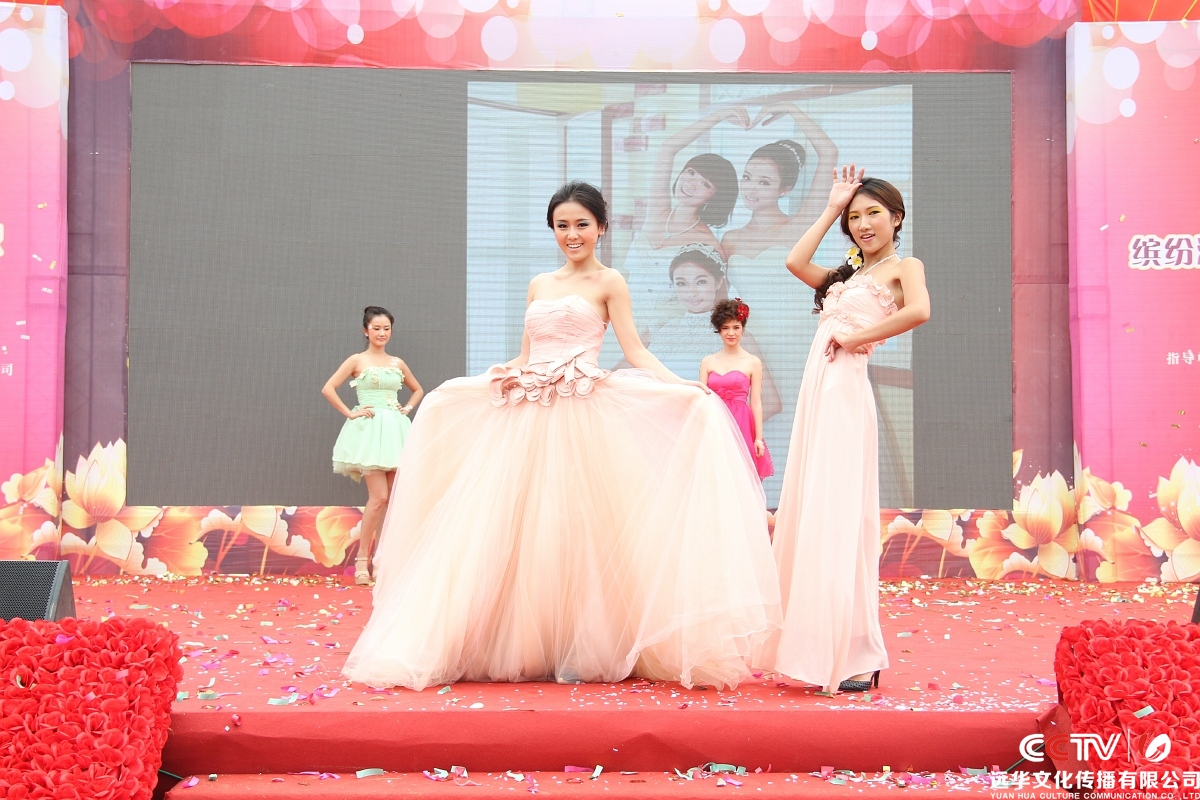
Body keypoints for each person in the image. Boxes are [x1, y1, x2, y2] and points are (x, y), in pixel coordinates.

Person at [342, 182, 780, 692]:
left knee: (581, 527)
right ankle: (524, 641)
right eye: (562, 225)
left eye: (582, 225)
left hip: (582, 410)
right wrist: (484, 380)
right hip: (529, 411)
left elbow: (635, 351)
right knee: (519, 525)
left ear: (601, 228)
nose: (572, 234)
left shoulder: (611, 281)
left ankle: (583, 643)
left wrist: (680, 385)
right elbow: (526, 355)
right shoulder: (539, 284)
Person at [759, 167, 930, 694]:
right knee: (816, 514)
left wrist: (859, 338)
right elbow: (794, 262)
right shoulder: (847, 275)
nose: (863, 224)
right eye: (855, 217)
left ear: (896, 218)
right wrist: (832, 206)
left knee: (839, 518)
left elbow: (920, 310)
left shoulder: (905, 267)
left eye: (873, 213)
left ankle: (857, 652)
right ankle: (824, 648)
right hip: (818, 396)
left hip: (845, 396)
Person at [322, 307, 424, 585]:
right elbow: (329, 388)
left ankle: (381, 561)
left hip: (396, 431)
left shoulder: (397, 363)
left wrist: (407, 408)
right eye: (376, 328)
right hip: (370, 432)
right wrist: (350, 412)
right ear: (365, 331)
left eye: (386, 329)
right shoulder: (357, 360)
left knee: (391, 500)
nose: (382, 333)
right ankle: (361, 562)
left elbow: (418, 389)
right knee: (378, 497)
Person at [623, 245, 782, 423]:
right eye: (682, 283)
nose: (691, 292)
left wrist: (717, 429)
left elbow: (771, 403)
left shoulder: (736, 337)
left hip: (707, 433)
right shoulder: (658, 330)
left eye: (701, 282)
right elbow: (623, 381)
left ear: (719, 282)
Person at [623, 108, 744, 328]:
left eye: (705, 184)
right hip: (624, 323)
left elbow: (717, 307)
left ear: (714, 197)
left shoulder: (708, 245)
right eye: (690, 173)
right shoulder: (657, 213)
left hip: (664, 331)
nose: (691, 184)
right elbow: (667, 148)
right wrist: (718, 115)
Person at [700, 298, 773, 481]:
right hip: (715, 421)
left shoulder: (753, 362)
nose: (731, 333)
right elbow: (702, 399)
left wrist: (758, 438)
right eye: (725, 328)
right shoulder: (708, 362)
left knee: (740, 474)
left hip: (742, 422)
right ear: (719, 330)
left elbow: (756, 402)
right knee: (716, 473)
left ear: (743, 329)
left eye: (736, 327)